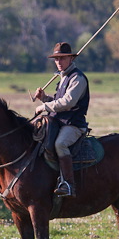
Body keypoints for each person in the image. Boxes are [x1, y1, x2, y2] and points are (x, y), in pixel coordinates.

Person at [33, 42, 90, 198]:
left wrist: (45, 106)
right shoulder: (63, 77)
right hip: (59, 121)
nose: (58, 62)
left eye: (62, 58)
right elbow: (58, 101)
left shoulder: (77, 78)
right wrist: (44, 98)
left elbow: (68, 103)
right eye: (56, 59)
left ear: (71, 58)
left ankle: (68, 184)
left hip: (73, 125)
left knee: (60, 144)